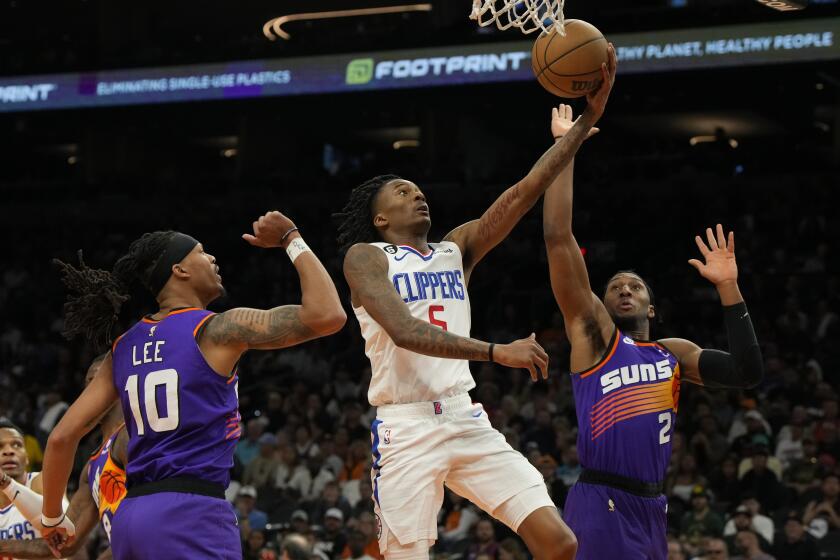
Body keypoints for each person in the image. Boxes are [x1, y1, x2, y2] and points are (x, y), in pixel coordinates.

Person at [334, 41, 616, 560]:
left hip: (465, 417)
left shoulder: (455, 247)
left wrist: (581, 127)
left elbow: (525, 191)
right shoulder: (366, 257)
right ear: (379, 219)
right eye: (401, 191)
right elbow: (404, 331)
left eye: (419, 189)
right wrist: (494, 351)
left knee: (559, 543)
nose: (416, 195)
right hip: (406, 427)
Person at [39, 211, 346, 558]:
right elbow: (328, 315)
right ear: (179, 270)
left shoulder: (121, 347)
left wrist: (51, 517)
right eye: (201, 252)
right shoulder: (216, 330)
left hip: (131, 516)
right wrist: (291, 237)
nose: (212, 257)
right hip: (192, 513)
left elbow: (62, 437)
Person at [542, 97, 764, 557]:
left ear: (652, 307)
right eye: (615, 287)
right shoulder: (595, 338)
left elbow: (747, 372)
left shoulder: (673, 352)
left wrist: (728, 288)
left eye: (635, 286)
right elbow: (558, 237)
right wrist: (565, 151)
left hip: (652, 505)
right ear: (600, 304)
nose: (624, 290)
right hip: (601, 499)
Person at [0, 355, 127, 559]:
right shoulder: (92, 468)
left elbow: (153, 522)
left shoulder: (135, 437)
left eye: (98, 380)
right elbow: (63, 542)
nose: (91, 391)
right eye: (88, 383)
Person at [0, 420, 69, 559]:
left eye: (17, 445)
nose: (9, 451)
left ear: (26, 457)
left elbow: (59, 530)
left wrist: (6, 483)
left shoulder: (43, 480)